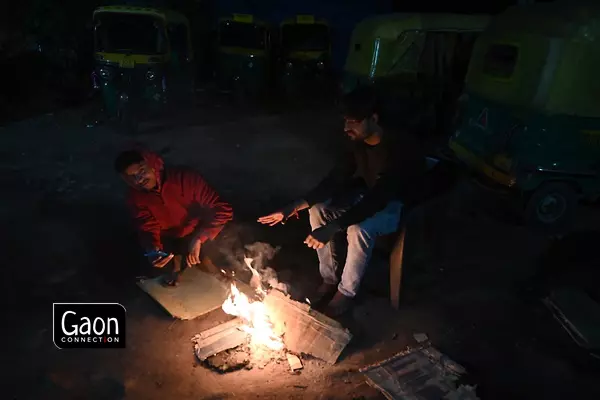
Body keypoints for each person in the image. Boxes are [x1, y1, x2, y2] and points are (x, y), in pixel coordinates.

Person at [258, 87, 427, 317]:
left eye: (353, 122)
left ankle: (346, 292)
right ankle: (329, 278)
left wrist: (333, 227)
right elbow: (336, 178)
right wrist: (293, 207)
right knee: (318, 210)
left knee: (359, 228)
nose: (346, 128)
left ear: (374, 119)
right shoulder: (358, 142)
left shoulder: (398, 147)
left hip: (396, 204)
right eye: (345, 121)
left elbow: (380, 198)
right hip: (369, 195)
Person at [115, 149, 233, 286]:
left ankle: (205, 261)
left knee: (208, 249)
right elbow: (146, 225)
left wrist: (200, 237)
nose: (139, 180)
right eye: (132, 178)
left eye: (142, 171)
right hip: (167, 235)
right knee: (158, 262)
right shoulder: (135, 197)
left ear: (152, 165)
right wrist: (153, 249)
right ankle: (175, 266)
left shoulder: (185, 179)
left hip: (196, 227)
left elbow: (223, 210)